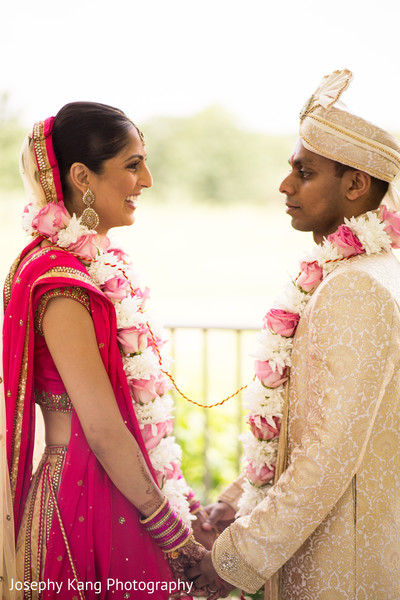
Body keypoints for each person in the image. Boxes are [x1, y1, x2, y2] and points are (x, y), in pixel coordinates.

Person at [187, 69, 400, 599]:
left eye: (304, 173)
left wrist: (236, 557)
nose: (285, 186)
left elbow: (328, 454)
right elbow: (306, 427)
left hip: (341, 563)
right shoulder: (372, 270)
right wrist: (238, 500)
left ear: (356, 184)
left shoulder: (356, 287)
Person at [3, 102, 215, 600]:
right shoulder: (61, 282)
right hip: (82, 502)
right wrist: (176, 538)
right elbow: (100, 427)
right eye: (133, 165)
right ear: (82, 176)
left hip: (119, 488)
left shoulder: (93, 267)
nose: (147, 181)